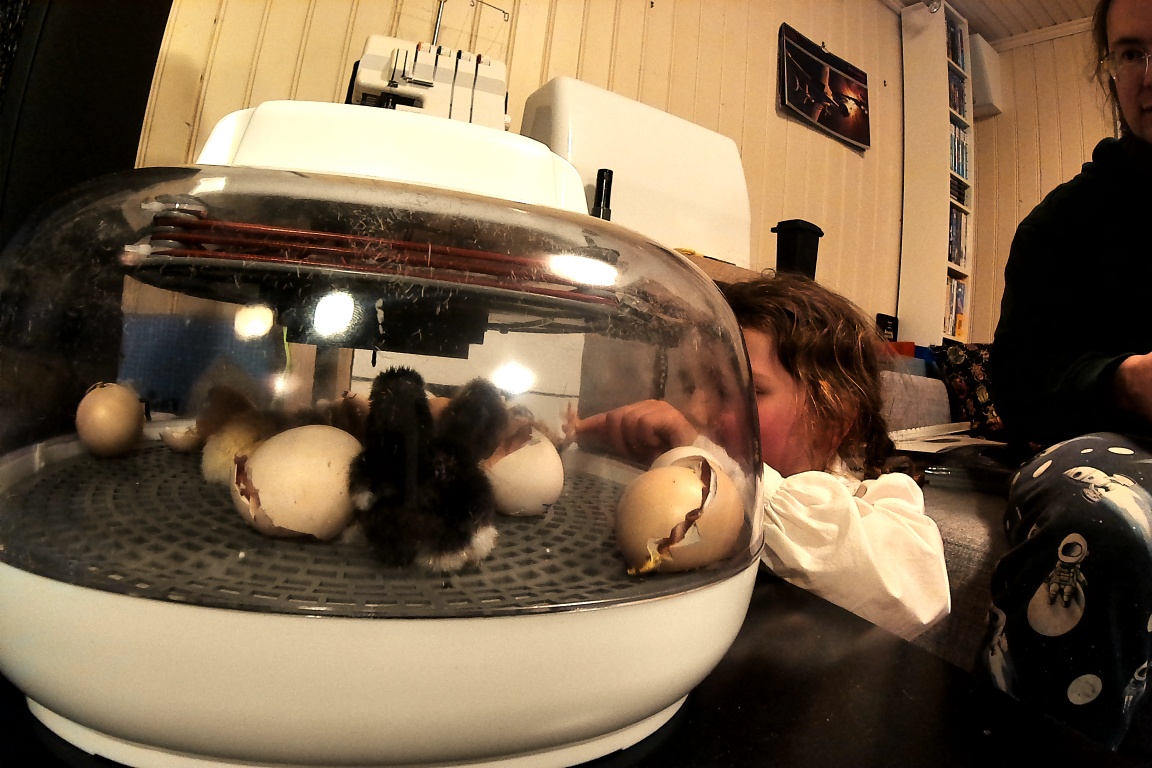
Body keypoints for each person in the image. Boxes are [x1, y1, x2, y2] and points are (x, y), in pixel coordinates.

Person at [577, 272, 951, 641]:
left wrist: (714, 466)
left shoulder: (870, 504)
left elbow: (918, 591)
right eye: (692, 386)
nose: (695, 410)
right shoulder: (689, 471)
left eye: (743, 389)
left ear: (833, 419)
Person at [983, 0, 1152, 749]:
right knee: (1096, 530)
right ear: (1109, 70)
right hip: (1118, 447)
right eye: (1132, 53)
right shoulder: (1062, 225)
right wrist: (1122, 381)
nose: (1150, 74)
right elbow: (1017, 383)